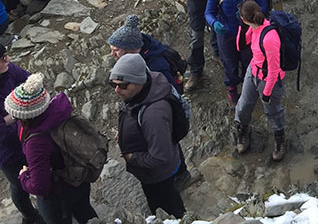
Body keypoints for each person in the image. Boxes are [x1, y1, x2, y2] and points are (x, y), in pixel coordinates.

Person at [7, 73, 99, 223]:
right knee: (85, 211)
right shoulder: (58, 111)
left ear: (25, 116)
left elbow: (40, 187)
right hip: (78, 176)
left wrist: (24, 176)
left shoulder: (36, 142)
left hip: (58, 192)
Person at [110, 54, 185, 218]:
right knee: (169, 198)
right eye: (113, 84)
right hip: (154, 169)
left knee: (167, 208)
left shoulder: (154, 115)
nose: (117, 90)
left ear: (137, 82)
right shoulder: (144, 88)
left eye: (122, 85)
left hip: (157, 174)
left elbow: (160, 157)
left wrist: (132, 158)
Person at [205, 0, 266, 106]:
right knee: (229, 63)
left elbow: (263, 6)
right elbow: (209, 12)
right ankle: (232, 90)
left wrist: (253, 18)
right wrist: (214, 24)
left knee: (249, 62)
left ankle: (250, 88)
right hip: (226, 33)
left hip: (248, 33)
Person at [234, 0, 286, 161]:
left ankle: (279, 138)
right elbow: (241, 44)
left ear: (243, 18)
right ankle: (243, 129)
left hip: (269, 78)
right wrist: (244, 28)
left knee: (273, 110)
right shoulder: (254, 27)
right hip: (253, 71)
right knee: (243, 105)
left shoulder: (270, 38)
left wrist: (267, 93)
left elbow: (274, 69)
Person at [0, 44, 41, 224]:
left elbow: (31, 83)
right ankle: (30, 216)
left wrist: (12, 116)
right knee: (18, 185)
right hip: (8, 152)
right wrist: (22, 113)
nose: (8, 59)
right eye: (3, 58)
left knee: (40, 174)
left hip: (28, 138)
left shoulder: (9, 70)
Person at [108, 14, 185, 91]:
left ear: (130, 49)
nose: (112, 54)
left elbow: (172, 91)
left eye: (116, 50)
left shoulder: (156, 66)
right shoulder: (141, 54)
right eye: (111, 50)